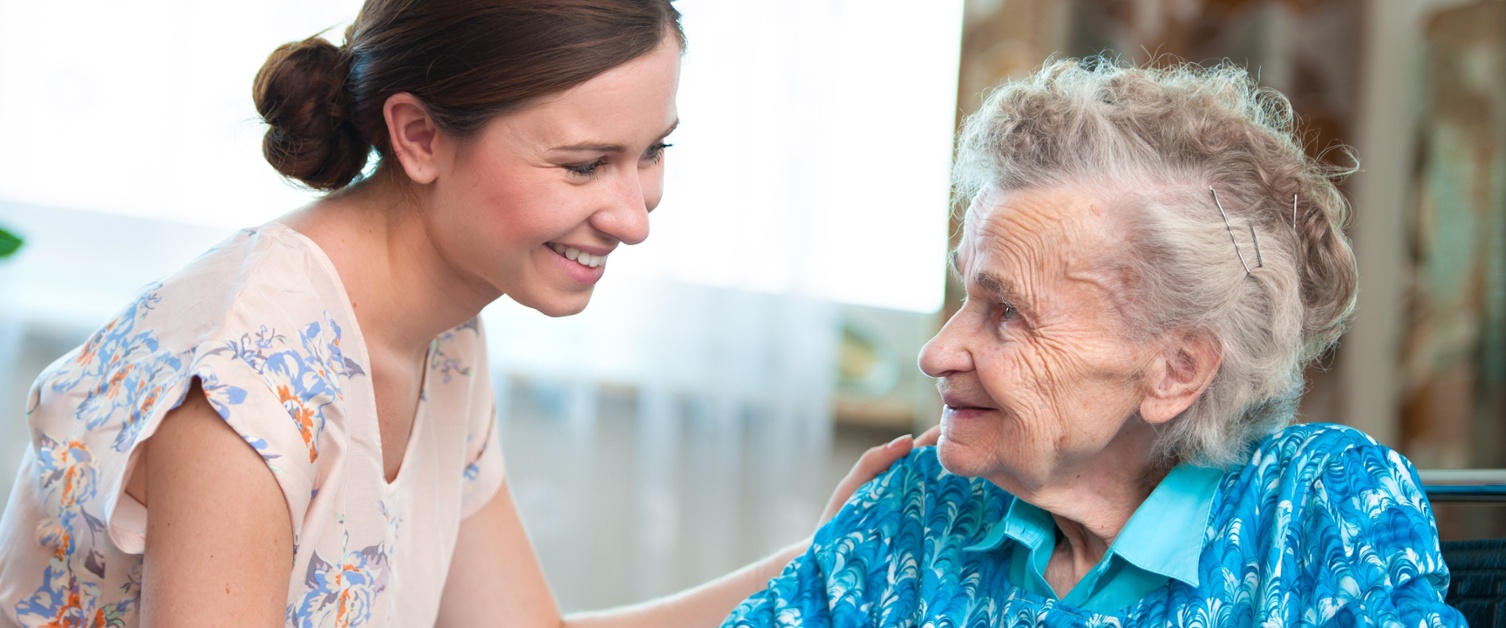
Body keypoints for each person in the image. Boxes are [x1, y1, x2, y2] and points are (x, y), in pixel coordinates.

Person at [0, 1, 930, 626]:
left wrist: (821, 557)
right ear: (419, 135)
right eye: (582, 165)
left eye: (653, 152)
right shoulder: (249, 377)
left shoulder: (441, 333)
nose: (635, 217)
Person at [720, 58, 1467, 626]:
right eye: (966, 296)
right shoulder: (918, 506)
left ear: (1176, 369)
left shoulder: (1317, 505)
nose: (938, 353)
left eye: (1007, 311)